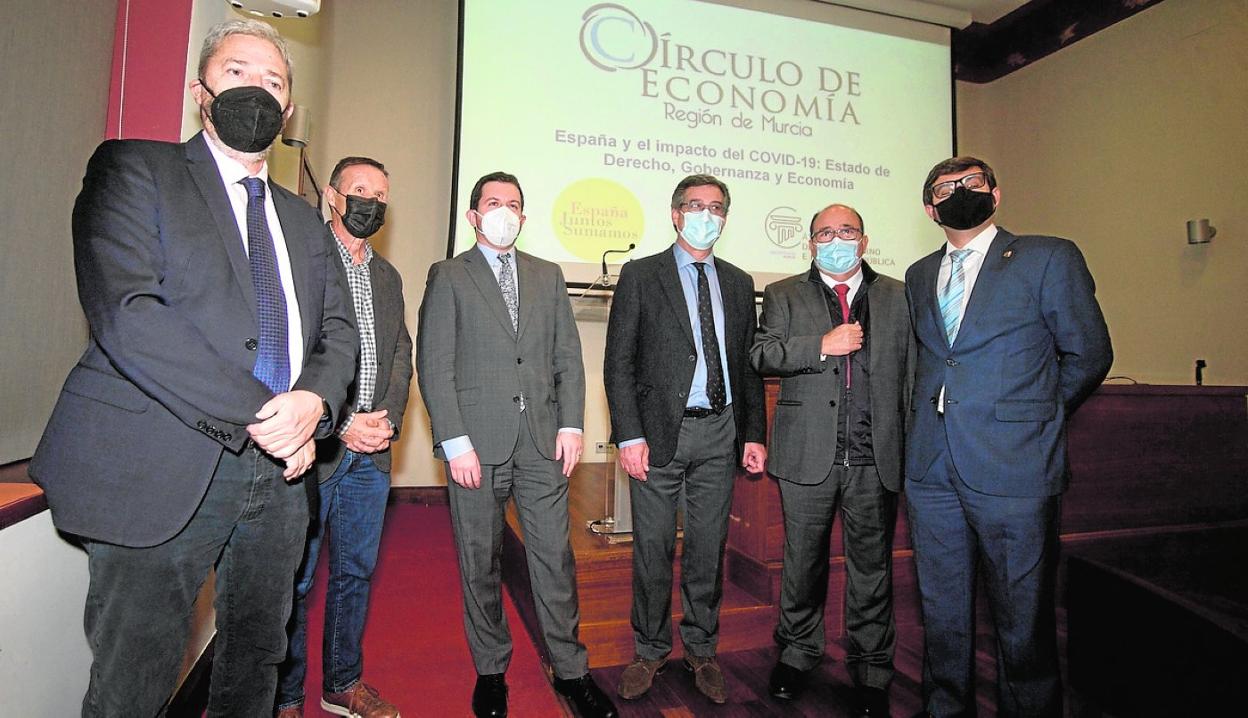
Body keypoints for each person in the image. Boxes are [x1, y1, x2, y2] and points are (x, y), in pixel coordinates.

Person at [29, 19, 357, 717]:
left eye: (274, 81)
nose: (258, 91)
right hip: (162, 464)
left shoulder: (304, 221)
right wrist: (272, 416)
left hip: (280, 476)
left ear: (289, 110)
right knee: (136, 679)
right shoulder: (133, 169)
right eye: (239, 72)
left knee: (256, 661)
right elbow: (129, 312)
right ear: (199, 90)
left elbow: (337, 332)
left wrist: (315, 406)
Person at [904, 156, 1112, 717]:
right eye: (945, 188)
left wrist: (1033, 416)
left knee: (1023, 615)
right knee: (942, 609)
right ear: (930, 208)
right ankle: (945, 708)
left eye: (972, 182)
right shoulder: (921, 273)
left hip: (1015, 467)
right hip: (931, 468)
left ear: (995, 195)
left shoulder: (1048, 256)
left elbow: (1089, 353)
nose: (959, 192)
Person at [415, 172, 616, 718]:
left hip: (541, 444)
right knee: (480, 560)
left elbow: (567, 357)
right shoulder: (450, 275)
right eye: (493, 203)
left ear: (524, 218)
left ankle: (572, 671)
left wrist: (571, 425)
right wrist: (454, 442)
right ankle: (491, 671)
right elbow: (434, 363)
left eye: (515, 205)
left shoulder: (548, 276)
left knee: (555, 558)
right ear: (474, 216)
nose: (505, 212)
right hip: (475, 445)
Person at [604, 174, 767, 705]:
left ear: (725, 217)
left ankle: (701, 648)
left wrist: (753, 434)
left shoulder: (740, 282)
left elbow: (745, 367)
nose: (706, 214)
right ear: (675, 214)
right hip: (657, 436)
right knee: (652, 549)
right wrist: (628, 434)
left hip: (720, 431)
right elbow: (619, 364)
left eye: (716, 207)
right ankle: (650, 650)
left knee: (706, 548)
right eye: (695, 205)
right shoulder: (641, 274)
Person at [750, 203, 914, 716]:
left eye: (846, 231)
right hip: (806, 456)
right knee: (803, 564)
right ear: (811, 243)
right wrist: (820, 345)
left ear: (864, 241)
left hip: (876, 456)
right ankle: (798, 654)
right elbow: (761, 355)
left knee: (872, 568)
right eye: (825, 232)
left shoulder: (899, 296)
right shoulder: (782, 294)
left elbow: (914, 372)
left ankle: (871, 669)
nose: (836, 239)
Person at [275, 157, 412, 718]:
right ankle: (284, 697)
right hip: (319, 448)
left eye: (380, 195)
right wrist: (344, 420)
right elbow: (289, 353)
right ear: (333, 196)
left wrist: (388, 421)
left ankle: (343, 682)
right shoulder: (303, 260)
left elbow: (401, 355)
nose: (370, 202)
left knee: (355, 571)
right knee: (296, 579)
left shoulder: (388, 276)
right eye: (360, 190)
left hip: (372, 455)